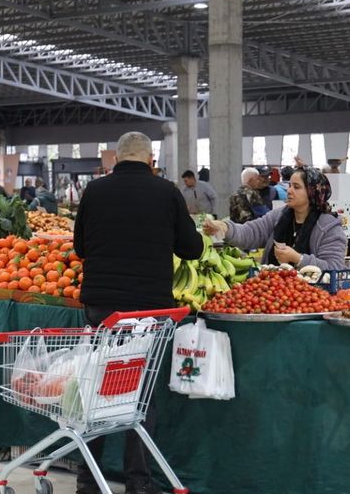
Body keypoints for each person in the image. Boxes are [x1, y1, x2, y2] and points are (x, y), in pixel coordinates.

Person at [73, 131, 203, 494]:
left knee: (96, 389)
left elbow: (80, 247)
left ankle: (88, 480)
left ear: (116, 158)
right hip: (149, 310)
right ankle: (138, 483)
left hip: (102, 307)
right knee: (141, 394)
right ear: (151, 160)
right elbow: (191, 249)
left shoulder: (94, 192)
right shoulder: (167, 193)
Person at [204, 167, 347, 270]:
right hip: (275, 295)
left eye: (296, 187)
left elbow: (334, 267)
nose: (289, 191)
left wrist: (298, 259)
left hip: (313, 300)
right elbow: (251, 232)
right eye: (290, 185)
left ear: (312, 192)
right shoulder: (279, 216)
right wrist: (225, 228)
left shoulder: (329, 228)